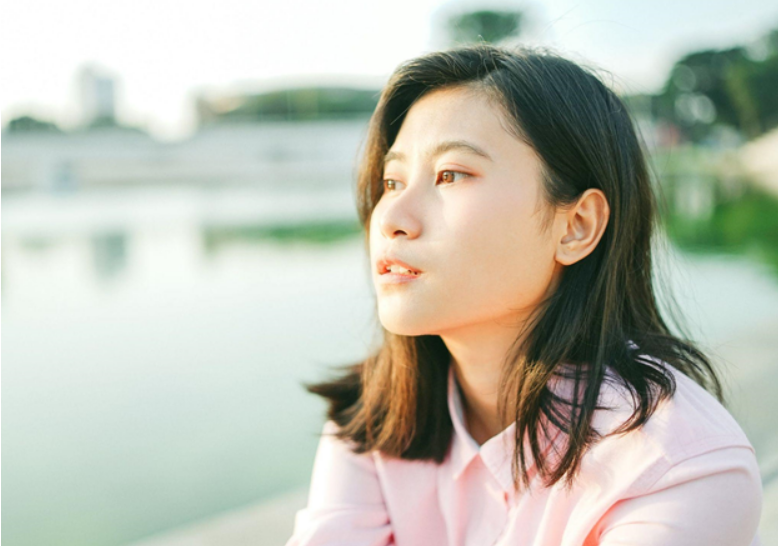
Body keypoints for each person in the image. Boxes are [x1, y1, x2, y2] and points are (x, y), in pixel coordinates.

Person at [284, 44, 763, 546]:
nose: (392, 219)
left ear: (576, 226)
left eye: (451, 174)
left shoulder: (679, 470)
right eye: (391, 180)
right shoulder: (373, 417)